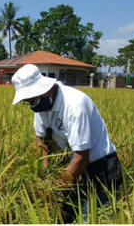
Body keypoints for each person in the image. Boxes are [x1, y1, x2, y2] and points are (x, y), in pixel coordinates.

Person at [11, 64, 123, 223]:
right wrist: (45, 179)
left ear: (46, 90)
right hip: (73, 170)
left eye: (33, 100)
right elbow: (41, 143)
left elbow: (81, 158)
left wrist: (54, 188)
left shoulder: (75, 105)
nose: (32, 105)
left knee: (89, 219)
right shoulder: (40, 106)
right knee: (62, 219)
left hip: (100, 170)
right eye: (28, 102)